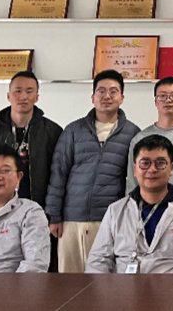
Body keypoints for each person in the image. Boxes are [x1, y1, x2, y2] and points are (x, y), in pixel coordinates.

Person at [46, 69, 141, 273]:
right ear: (93, 97)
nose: (107, 96)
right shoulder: (73, 130)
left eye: (113, 91)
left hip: (109, 219)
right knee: (70, 279)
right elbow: (58, 173)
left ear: (122, 98)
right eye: (101, 91)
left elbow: (135, 180)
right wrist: (54, 216)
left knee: (104, 281)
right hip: (71, 219)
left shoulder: (133, 134)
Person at [0, 70, 62, 270]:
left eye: (29, 91)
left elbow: (58, 176)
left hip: (40, 210)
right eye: (18, 91)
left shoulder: (53, 132)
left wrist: (54, 214)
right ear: (8, 95)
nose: (23, 96)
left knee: (39, 264)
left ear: (37, 96)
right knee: (0, 264)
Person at [87, 135, 173, 274]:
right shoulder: (115, 211)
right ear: (135, 169)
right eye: (145, 163)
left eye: (160, 163)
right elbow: (98, 261)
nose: (152, 169)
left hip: (172, 286)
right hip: (124, 286)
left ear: (171, 168)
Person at [126, 77, 173, 206]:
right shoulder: (140, 138)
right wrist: (132, 210)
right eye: (162, 96)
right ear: (156, 102)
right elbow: (132, 181)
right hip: (146, 210)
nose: (168, 100)